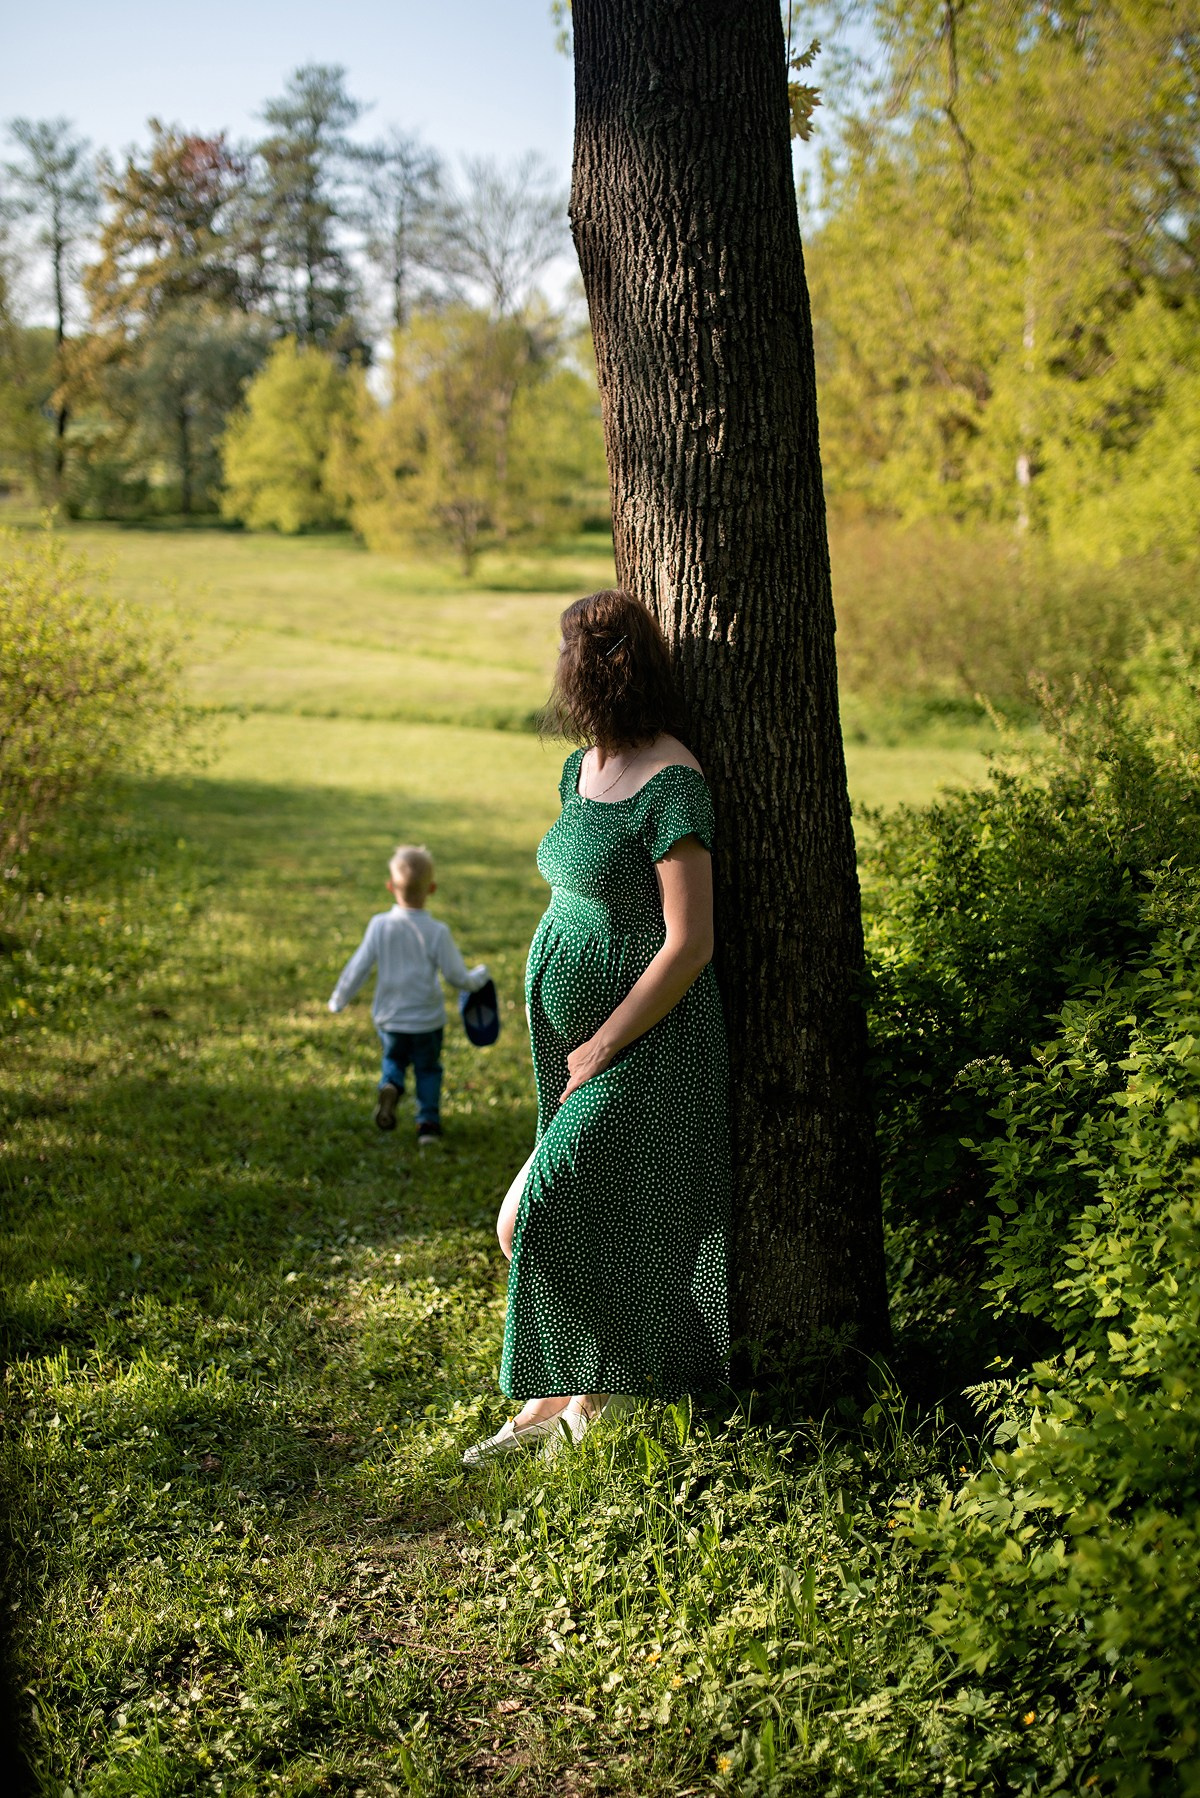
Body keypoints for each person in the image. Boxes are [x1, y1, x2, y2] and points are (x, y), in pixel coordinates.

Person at [462, 589, 731, 1465]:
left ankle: (582, 1407)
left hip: (647, 1044)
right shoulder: (580, 769)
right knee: (580, 1216)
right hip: (577, 1042)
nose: (572, 672)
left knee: (531, 1217)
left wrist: (603, 1042)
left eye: (583, 655)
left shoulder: (673, 780)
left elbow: (689, 945)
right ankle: (556, 1409)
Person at [328, 844, 490, 1146]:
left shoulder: (379, 926)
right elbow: (456, 977)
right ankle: (427, 1125)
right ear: (432, 888)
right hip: (427, 1021)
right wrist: (479, 977)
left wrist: (339, 999)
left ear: (390, 887)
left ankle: (391, 1084)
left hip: (390, 1019)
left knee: (393, 1058)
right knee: (428, 1069)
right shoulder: (437, 931)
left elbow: (358, 966)